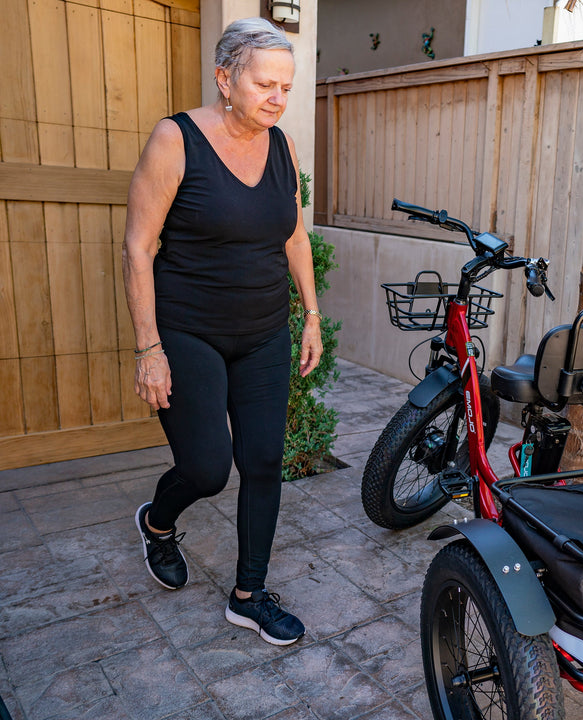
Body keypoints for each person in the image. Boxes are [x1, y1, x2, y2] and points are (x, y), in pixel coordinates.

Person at [122, 17, 322, 647]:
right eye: (265, 84)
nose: (277, 98)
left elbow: (293, 233)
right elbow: (138, 247)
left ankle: (249, 596)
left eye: (285, 88)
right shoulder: (175, 140)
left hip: (263, 331)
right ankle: (158, 522)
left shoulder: (281, 145)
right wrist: (149, 349)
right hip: (189, 332)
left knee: (263, 462)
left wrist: (310, 313)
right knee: (207, 469)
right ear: (225, 78)